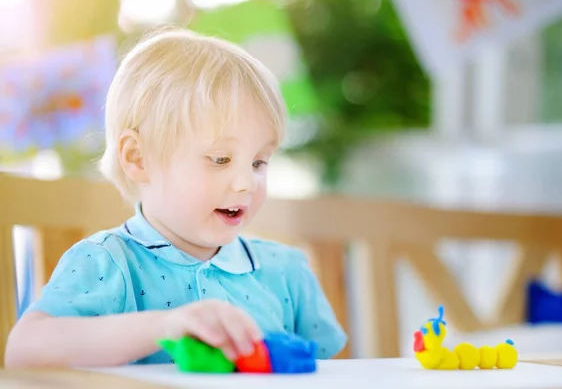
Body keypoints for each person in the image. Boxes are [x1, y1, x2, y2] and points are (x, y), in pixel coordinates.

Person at [5, 28, 347, 368]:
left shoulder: (286, 272)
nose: (246, 183)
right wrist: (162, 327)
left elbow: (340, 374)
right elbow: (24, 349)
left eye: (259, 162)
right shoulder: (108, 264)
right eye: (220, 159)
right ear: (138, 158)